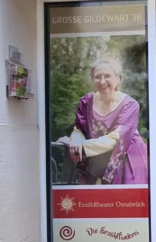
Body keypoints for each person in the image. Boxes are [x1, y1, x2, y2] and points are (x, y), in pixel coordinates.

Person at [57, 53, 148, 185]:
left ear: (118, 79)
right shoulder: (86, 101)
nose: (102, 81)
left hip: (126, 159)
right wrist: (75, 140)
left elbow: (116, 139)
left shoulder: (130, 105)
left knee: (123, 202)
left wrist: (80, 146)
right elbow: (79, 129)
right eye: (97, 77)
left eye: (107, 76)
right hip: (97, 160)